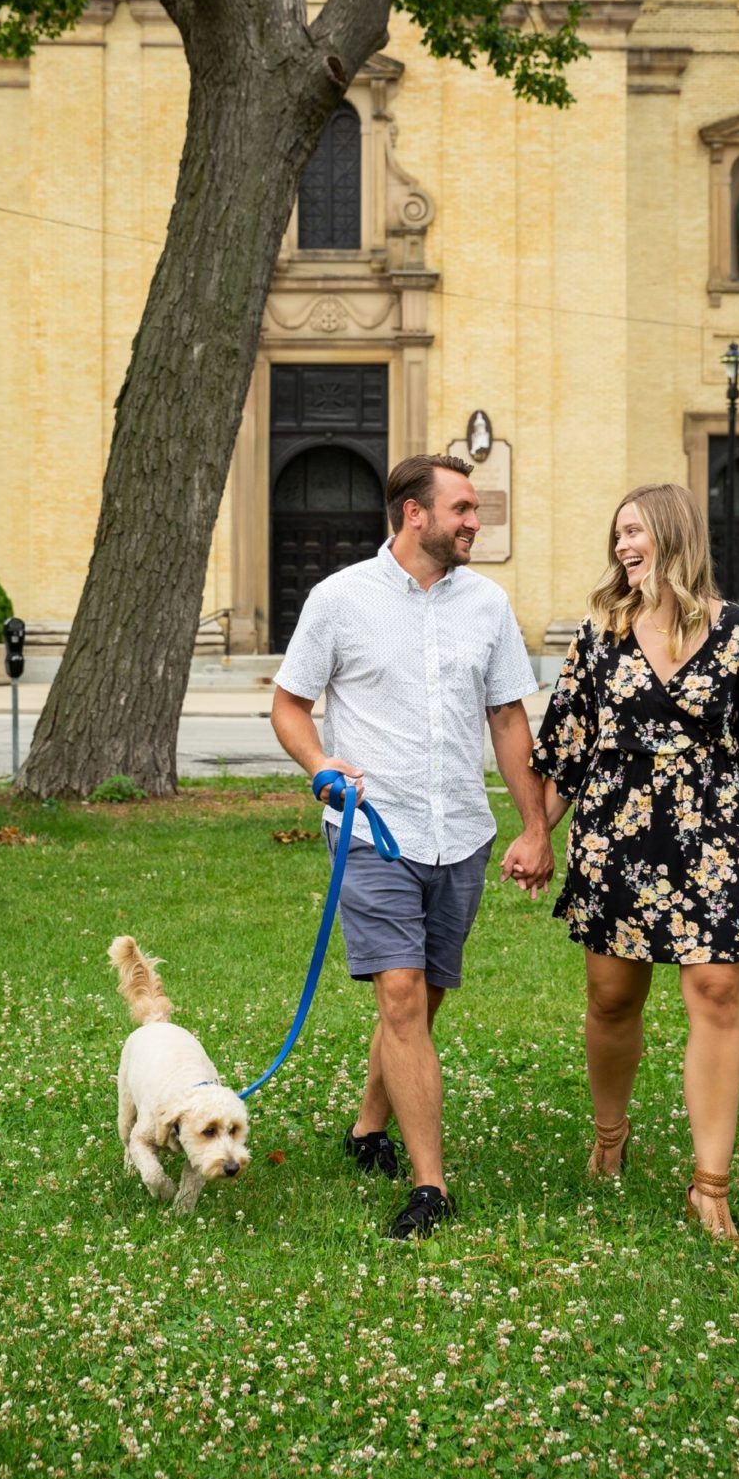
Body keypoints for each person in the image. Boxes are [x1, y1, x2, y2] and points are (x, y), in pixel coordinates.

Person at [503, 482, 739, 1241]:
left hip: (716, 839)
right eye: (617, 536)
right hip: (617, 838)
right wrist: (536, 832)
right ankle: (610, 1138)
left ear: (672, 535)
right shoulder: (598, 635)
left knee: (716, 993)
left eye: (634, 531)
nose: (623, 546)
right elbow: (566, 751)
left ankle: (711, 1185)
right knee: (611, 999)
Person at [271, 453, 553, 1239]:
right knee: (399, 998)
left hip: (459, 831)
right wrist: (320, 763)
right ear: (414, 514)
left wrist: (535, 826)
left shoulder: (489, 605)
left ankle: (366, 1128)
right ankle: (430, 1187)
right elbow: (290, 705)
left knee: (422, 1002)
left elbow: (507, 721)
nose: (474, 522)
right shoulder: (339, 600)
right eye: (462, 508)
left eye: (475, 510)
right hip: (371, 829)